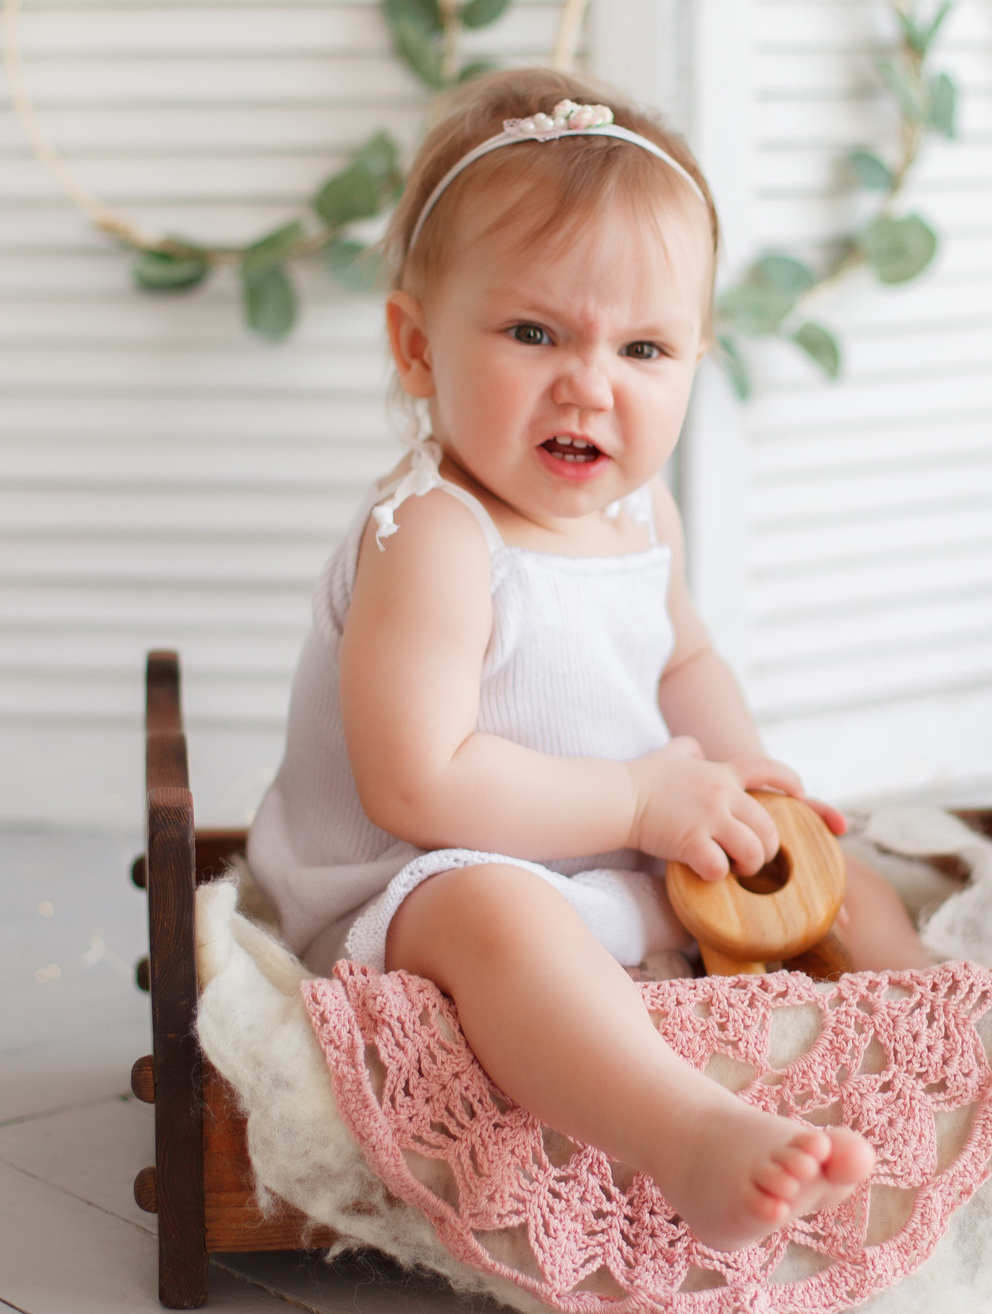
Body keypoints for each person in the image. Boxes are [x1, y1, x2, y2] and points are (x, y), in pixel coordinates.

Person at [248, 67, 933, 1252]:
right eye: (532, 332)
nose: (590, 383)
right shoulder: (434, 535)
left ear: (693, 361)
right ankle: (689, 1138)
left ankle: (942, 1055)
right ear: (416, 346)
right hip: (411, 891)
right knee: (504, 921)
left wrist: (744, 772)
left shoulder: (643, 515)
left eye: (646, 349)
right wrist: (635, 797)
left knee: (845, 887)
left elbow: (684, 660)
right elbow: (416, 784)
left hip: (606, 854)